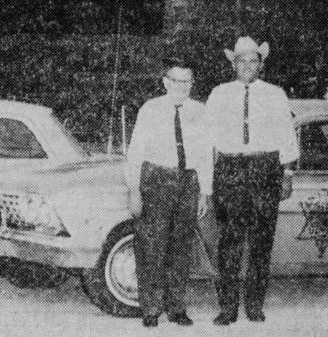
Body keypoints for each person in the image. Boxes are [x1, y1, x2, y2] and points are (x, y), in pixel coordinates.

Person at [205, 36, 298, 325]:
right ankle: (228, 308)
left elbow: (287, 136)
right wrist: (209, 181)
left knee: (261, 241)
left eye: (253, 60)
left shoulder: (275, 94)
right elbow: (208, 139)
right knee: (229, 242)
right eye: (241, 60)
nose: (247, 65)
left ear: (261, 64)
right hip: (230, 169)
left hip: (265, 168)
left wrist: (287, 174)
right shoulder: (219, 94)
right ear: (233, 63)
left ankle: (255, 305)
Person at [125, 57, 210, 327]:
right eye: (176, 81)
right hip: (156, 180)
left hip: (188, 181)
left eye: (187, 81)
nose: (182, 86)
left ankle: (176, 308)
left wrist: (204, 192)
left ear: (192, 83)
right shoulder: (150, 109)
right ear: (165, 82)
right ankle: (150, 309)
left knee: (181, 247)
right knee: (151, 245)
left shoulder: (200, 110)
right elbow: (136, 151)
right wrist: (134, 190)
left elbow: (206, 153)